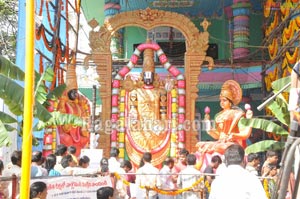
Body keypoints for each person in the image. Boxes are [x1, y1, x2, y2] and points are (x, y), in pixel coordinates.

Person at [125, 42, 171, 166]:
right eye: (146, 74)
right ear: (142, 76)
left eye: (150, 74)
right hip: (140, 126)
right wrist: (134, 119)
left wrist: (162, 122)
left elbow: (163, 111)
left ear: (155, 75)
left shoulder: (160, 92)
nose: (148, 77)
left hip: (155, 125)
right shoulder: (135, 91)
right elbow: (133, 109)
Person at [57, 63, 90, 157]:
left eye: (76, 91)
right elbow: (61, 118)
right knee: (67, 139)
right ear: (68, 91)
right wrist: (62, 102)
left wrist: (83, 106)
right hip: (67, 131)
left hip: (77, 133)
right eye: (73, 91)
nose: (75, 94)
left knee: (85, 139)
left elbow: (83, 117)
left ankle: (77, 157)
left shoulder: (78, 104)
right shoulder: (64, 102)